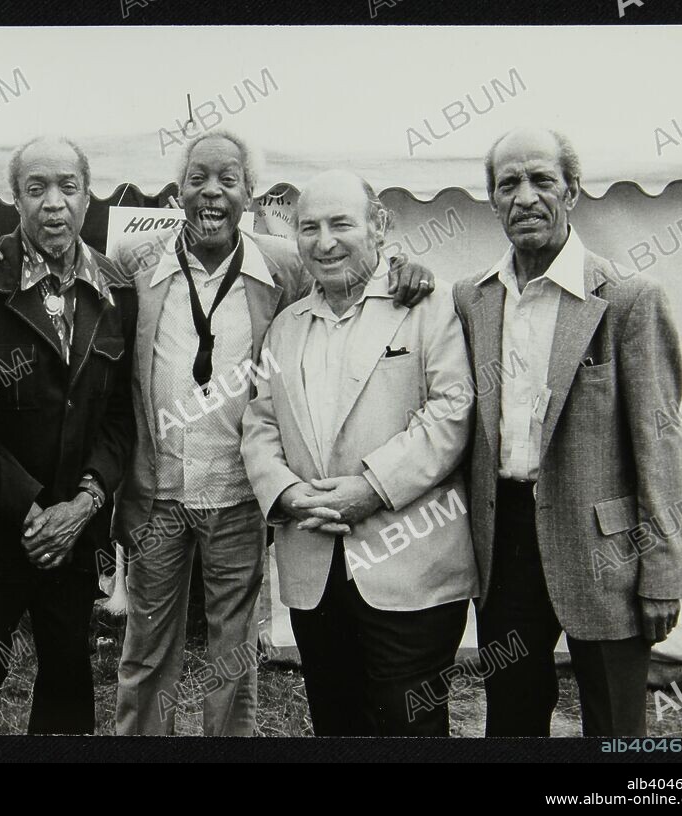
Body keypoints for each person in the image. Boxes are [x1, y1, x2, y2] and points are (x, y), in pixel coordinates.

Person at [109, 131, 435, 736]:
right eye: (197, 178)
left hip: (238, 494)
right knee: (147, 648)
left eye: (227, 180)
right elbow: (67, 269)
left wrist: (401, 265)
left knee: (232, 652)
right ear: (176, 190)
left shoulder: (279, 263)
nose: (211, 193)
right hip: (157, 492)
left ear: (249, 192)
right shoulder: (138, 262)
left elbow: (343, 267)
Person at [452, 128, 682, 737]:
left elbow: (660, 445)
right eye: (509, 184)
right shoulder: (470, 300)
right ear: (492, 198)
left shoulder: (630, 301)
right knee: (512, 720)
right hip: (503, 546)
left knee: (614, 728)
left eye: (542, 180)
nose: (525, 196)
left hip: (610, 553)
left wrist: (662, 571)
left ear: (573, 191)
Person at [240, 170, 477, 736]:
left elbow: (451, 409)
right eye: (309, 228)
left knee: (408, 723)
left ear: (379, 227)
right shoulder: (284, 328)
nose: (325, 242)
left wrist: (370, 489)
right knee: (336, 719)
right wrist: (287, 493)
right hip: (313, 562)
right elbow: (260, 421)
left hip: (412, 563)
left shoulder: (427, 304)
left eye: (340, 223)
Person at [0, 135, 136, 734]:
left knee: (68, 680)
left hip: (74, 535)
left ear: (87, 195)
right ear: (15, 198)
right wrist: (32, 509)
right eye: (36, 188)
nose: (54, 204)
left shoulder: (116, 290)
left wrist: (83, 503)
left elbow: (122, 416)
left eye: (67, 188)